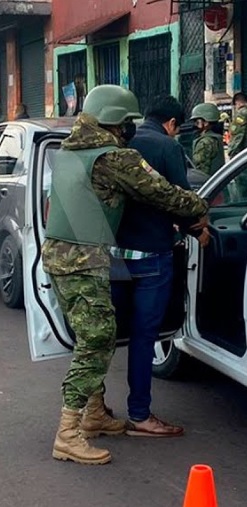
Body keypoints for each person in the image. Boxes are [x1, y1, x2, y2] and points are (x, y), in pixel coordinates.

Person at [43, 84, 209, 465]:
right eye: (126, 123)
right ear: (117, 122)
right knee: (98, 340)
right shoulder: (113, 158)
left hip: (60, 255)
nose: (129, 130)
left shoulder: (69, 149)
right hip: (83, 261)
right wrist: (200, 205)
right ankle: (68, 432)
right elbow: (164, 193)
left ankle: (95, 414)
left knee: (89, 334)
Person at [105, 95, 210, 441]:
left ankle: (94, 409)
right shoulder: (167, 147)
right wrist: (201, 229)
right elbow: (180, 200)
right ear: (171, 123)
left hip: (114, 256)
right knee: (143, 336)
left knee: (104, 335)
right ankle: (139, 415)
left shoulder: (120, 142)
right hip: (152, 258)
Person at [191, 102, 225, 178]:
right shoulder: (215, 138)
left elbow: (200, 172)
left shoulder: (205, 142)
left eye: (197, 121)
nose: (195, 124)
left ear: (206, 123)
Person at [228, 92, 247, 159]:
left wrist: (233, 151)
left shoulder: (241, 113)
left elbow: (238, 133)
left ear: (237, 102)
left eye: (235, 105)